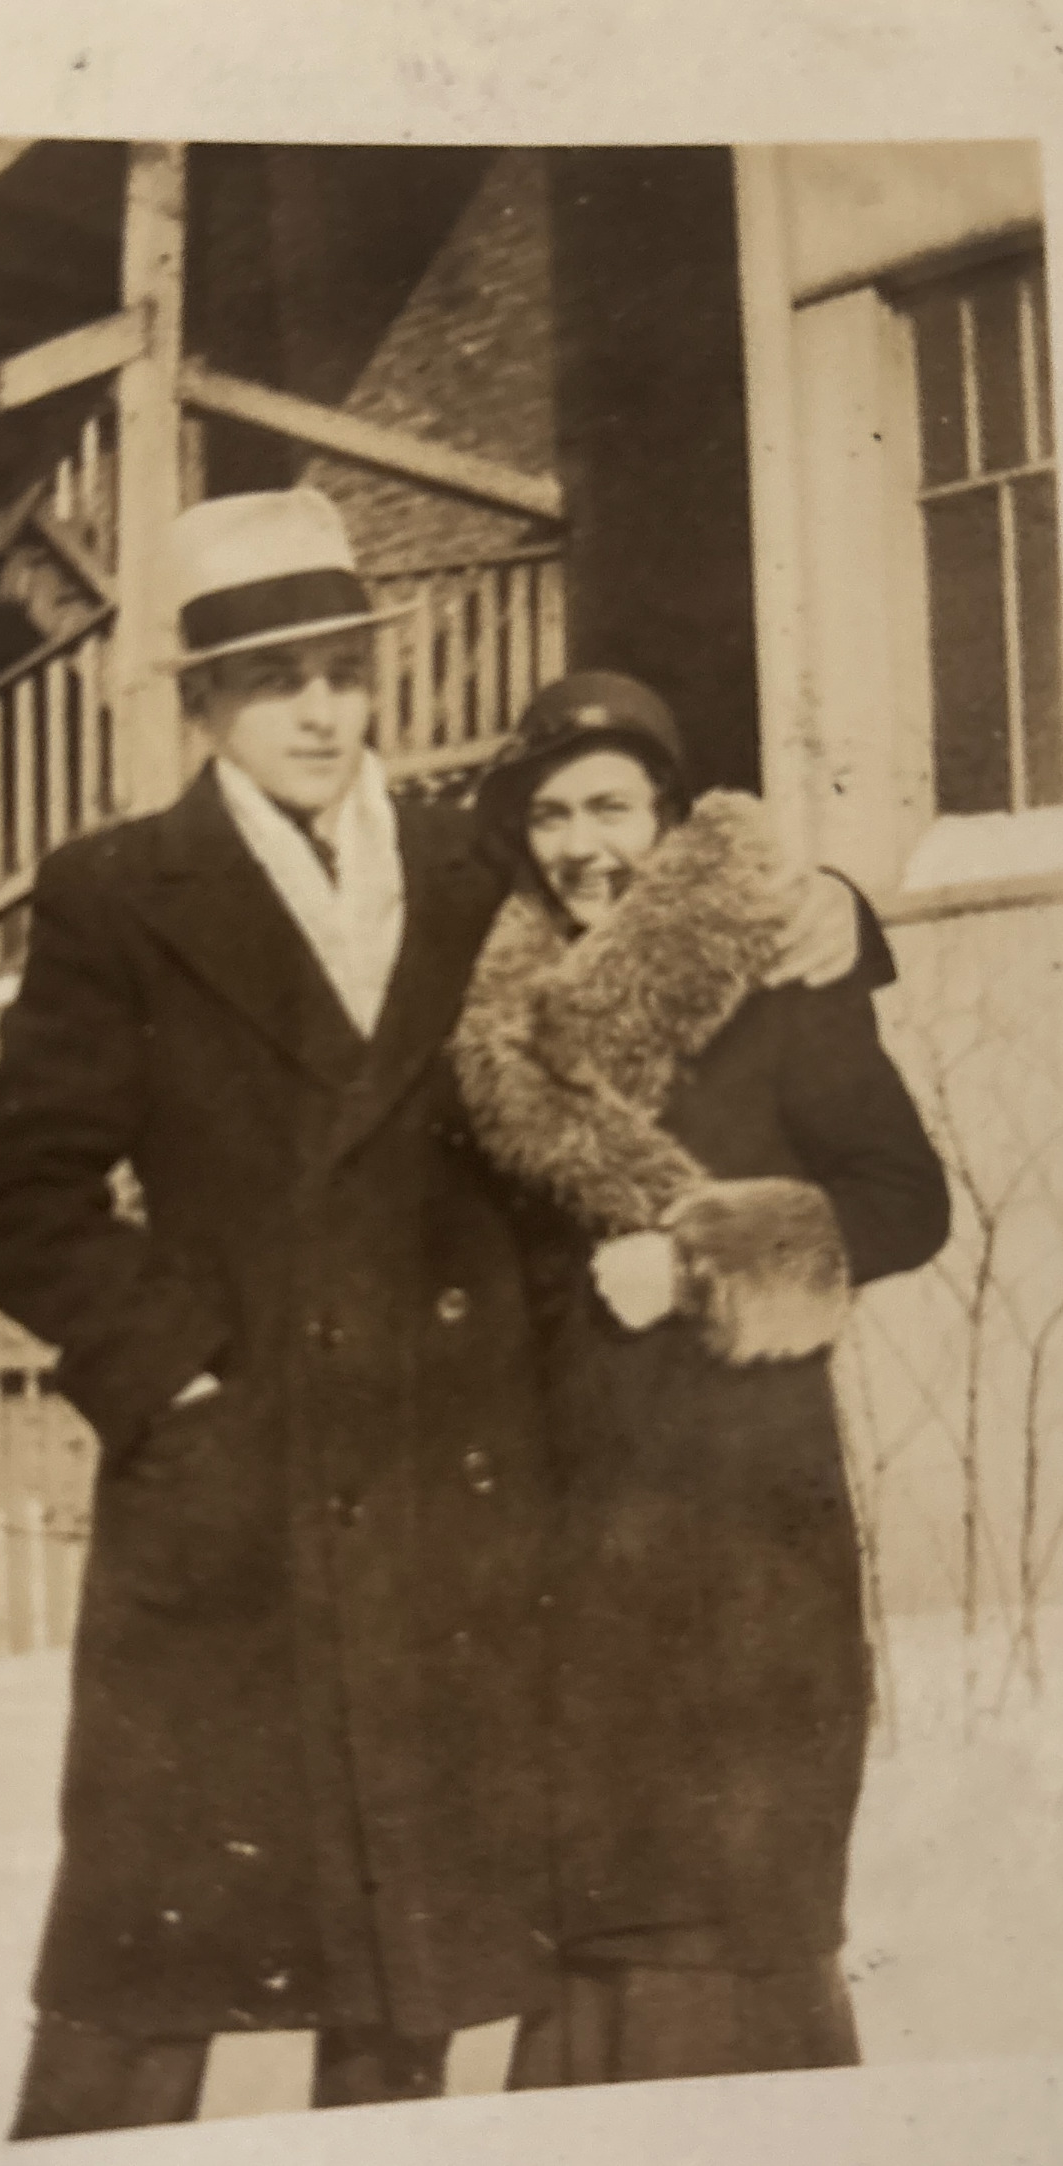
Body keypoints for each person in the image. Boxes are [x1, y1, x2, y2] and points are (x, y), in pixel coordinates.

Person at [0, 495, 878, 2137]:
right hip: (239, 1483)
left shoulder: (470, 866)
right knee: (146, 1976)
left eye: (339, 670)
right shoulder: (119, 889)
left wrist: (839, 915)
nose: (318, 710)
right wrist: (169, 1375)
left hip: (455, 1487)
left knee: (415, 1967)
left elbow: (647, 930)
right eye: (269, 680)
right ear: (201, 704)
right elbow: (18, 1193)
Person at [450, 672, 951, 2090]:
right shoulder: (493, 1014)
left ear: (669, 820)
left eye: (609, 803)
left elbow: (903, 1198)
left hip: (743, 1532)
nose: (577, 842)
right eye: (547, 813)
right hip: (567, 1538)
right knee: (589, 1930)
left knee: (723, 1931)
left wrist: (703, 1261)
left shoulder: (774, 974)